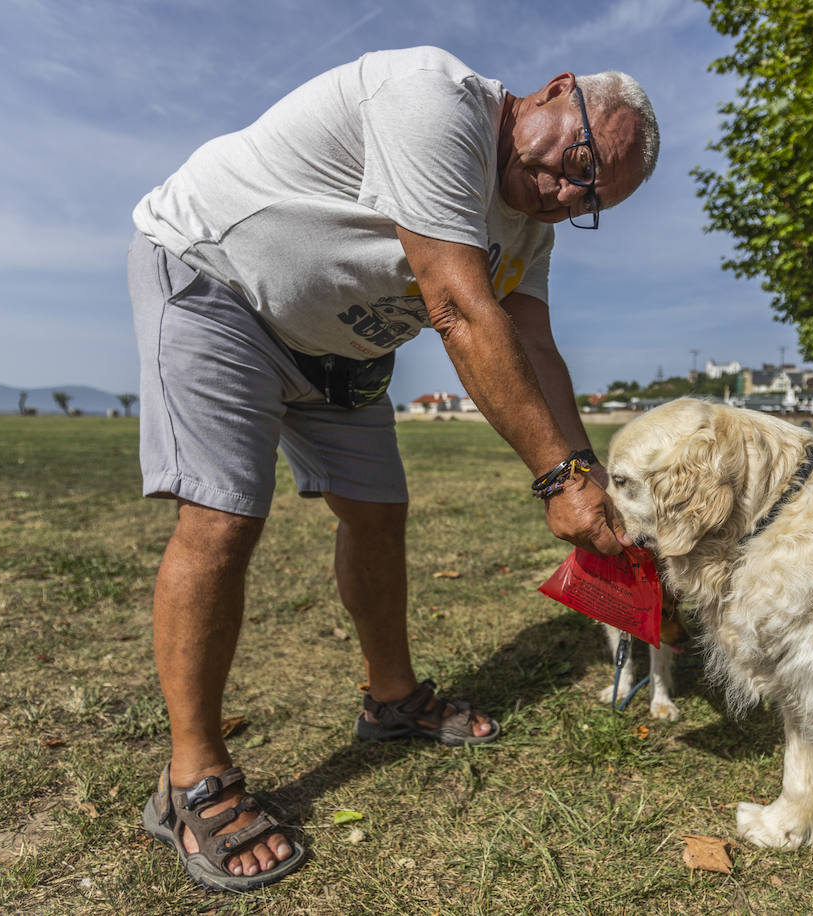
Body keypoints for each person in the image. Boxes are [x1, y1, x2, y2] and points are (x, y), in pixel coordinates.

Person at [125, 46, 659, 891]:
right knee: (223, 516)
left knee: (377, 512)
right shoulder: (434, 102)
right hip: (221, 284)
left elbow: (534, 343)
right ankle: (192, 777)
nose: (566, 195)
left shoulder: (530, 219)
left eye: (589, 200)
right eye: (579, 164)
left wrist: (590, 471)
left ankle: (392, 698)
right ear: (556, 91)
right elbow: (455, 305)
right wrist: (557, 480)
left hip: (339, 342)